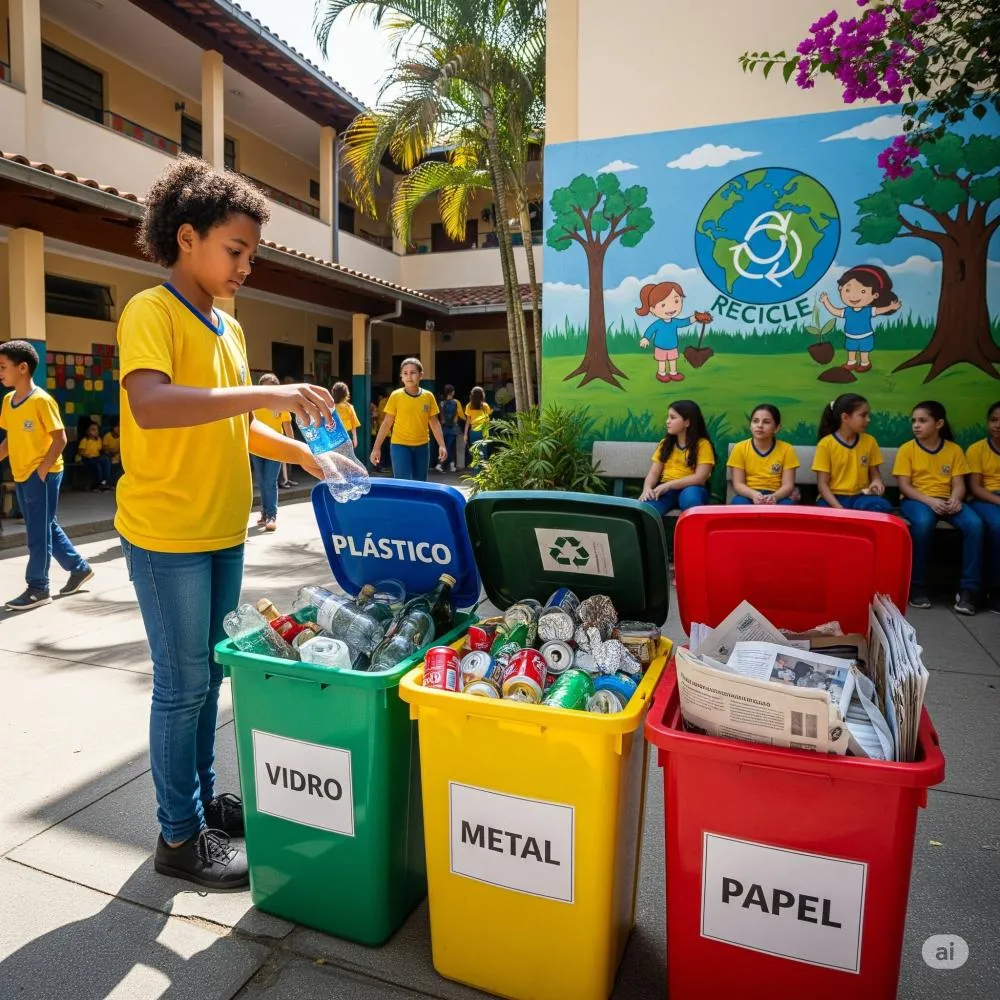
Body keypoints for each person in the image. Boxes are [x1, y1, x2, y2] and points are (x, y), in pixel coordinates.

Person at [116, 157, 335, 890]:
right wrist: (257, 398)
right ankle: (178, 836)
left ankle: (205, 804)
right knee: (181, 687)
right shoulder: (151, 311)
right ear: (187, 237)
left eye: (251, 254)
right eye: (236, 251)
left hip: (220, 532)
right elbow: (152, 402)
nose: (246, 266)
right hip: (166, 534)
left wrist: (307, 453)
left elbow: (240, 426)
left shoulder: (228, 328)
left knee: (210, 679)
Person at [0, 339, 94, 610]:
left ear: (23, 368)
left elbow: (60, 439)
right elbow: (9, 441)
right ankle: (79, 568)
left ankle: (38, 587)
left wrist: (41, 472)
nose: (1, 372)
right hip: (22, 474)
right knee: (46, 526)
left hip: (42, 474)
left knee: (37, 532)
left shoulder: (42, 400)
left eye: (4, 366)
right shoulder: (8, 401)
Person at [894, 401, 983, 615]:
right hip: (917, 500)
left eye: (923, 421)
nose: (916, 425)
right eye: (914, 421)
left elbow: (959, 484)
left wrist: (955, 499)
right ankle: (917, 586)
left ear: (939, 423)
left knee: (975, 525)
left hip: (947, 500)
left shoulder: (953, 450)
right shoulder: (908, 449)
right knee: (922, 524)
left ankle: (969, 590)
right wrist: (930, 501)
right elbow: (905, 486)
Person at [370, 358, 447, 481]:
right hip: (399, 445)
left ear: (421, 375)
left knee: (420, 483)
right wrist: (376, 448)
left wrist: (442, 444)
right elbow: (386, 423)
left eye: (413, 372)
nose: (409, 376)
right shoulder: (396, 396)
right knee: (402, 482)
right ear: (401, 376)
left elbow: (434, 422)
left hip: (422, 445)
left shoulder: (428, 396)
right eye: (405, 373)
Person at [812, 393, 891, 512]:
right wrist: (839, 509)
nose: (868, 420)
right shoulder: (826, 444)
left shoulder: (870, 441)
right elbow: (822, 485)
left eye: (868, 415)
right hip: (832, 498)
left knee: (882, 506)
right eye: (863, 415)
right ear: (845, 418)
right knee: (828, 518)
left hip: (861, 497)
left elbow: (875, 474)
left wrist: (876, 482)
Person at [818, 264, 902, 373]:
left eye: (863, 291)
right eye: (848, 290)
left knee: (864, 351)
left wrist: (890, 307)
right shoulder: (847, 311)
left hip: (865, 336)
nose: (853, 296)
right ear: (840, 288)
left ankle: (865, 363)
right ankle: (851, 363)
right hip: (850, 336)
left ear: (875, 295)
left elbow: (878, 310)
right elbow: (835, 311)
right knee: (851, 349)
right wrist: (826, 301)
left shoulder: (867, 311)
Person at [639, 400, 715, 514]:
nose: (667, 421)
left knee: (691, 500)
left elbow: (700, 478)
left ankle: (691, 531)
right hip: (666, 490)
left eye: (673, 417)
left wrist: (669, 485)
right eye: (668, 417)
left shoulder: (703, 445)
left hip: (692, 488)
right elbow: (653, 474)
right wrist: (647, 489)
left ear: (687, 422)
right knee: (647, 509)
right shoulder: (665, 444)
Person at [636, 281, 712, 383]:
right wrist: (646, 338)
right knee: (662, 361)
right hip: (660, 347)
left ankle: (673, 373)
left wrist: (696, 317)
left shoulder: (675, 322)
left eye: (676, 301)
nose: (671, 308)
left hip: (672, 346)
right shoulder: (658, 324)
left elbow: (685, 322)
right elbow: (650, 330)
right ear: (652, 310)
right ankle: (661, 373)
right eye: (663, 305)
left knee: (672, 360)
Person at [966, 401, 1000, 614]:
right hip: (986, 499)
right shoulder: (977, 449)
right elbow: (976, 488)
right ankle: (992, 590)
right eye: (994, 420)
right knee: (997, 527)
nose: (998, 425)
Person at [727, 404, 799, 505]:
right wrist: (753, 495)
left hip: (777, 496)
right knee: (738, 502)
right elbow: (738, 484)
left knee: (788, 505)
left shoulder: (787, 449)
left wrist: (775, 496)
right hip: (749, 495)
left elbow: (788, 485)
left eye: (766, 422)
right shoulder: (739, 448)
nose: (759, 425)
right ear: (750, 425)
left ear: (777, 428)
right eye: (755, 421)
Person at [250, 374, 292, 532]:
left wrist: (291, 446)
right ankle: (264, 512)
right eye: (266, 386)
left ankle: (271, 515)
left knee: (269, 482)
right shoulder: (253, 404)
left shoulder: (281, 404)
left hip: (276, 449)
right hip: (256, 447)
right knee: (261, 482)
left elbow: (288, 428)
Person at [434, 383, 464, 473]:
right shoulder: (456, 402)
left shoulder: (442, 403)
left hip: (444, 428)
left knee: (445, 446)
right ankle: (444, 465)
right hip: (453, 428)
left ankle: (447, 465)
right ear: (452, 392)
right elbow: (462, 415)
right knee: (448, 447)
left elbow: (440, 416)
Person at [76, 422, 114, 492]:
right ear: (87, 431)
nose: (95, 431)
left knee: (101, 464)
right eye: (93, 429)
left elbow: (100, 450)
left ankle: (102, 484)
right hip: (87, 459)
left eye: (96, 430)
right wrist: (88, 455)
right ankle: (107, 482)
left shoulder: (99, 439)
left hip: (96, 459)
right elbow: (80, 452)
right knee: (105, 460)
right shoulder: (85, 440)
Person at [464, 386, 492, 467]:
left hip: (473, 433)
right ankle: (484, 476)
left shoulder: (469, 406)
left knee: (476, 455)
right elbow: (487, 421)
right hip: (483, 433)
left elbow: (467, 422)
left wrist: (465, 434)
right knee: (484, 455)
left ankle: (477, 475)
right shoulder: (485, 406)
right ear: (482, 395)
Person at [332, 381, 361, 449]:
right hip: (346, 435)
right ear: (346, 394)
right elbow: (353, 424)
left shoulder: (330, 406)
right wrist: (355, 438)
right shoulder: (349, 407)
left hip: (333, 435)